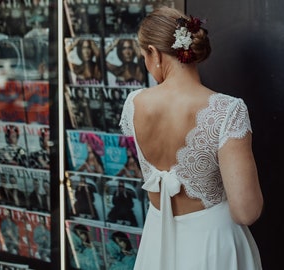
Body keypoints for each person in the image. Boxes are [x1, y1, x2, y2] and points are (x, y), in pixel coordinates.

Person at [119, 6, 263, 270]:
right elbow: (247, 210)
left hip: (157, 241)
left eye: (144, 56)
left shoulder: (134, 104)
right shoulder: (227, 111)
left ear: (154, 53)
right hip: (213, 246)